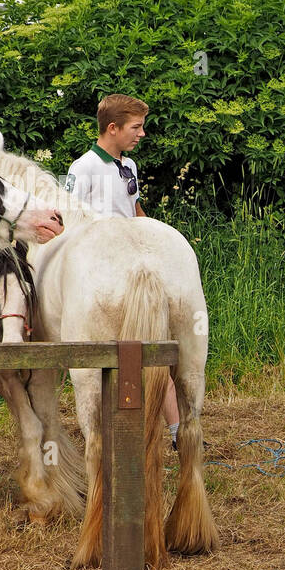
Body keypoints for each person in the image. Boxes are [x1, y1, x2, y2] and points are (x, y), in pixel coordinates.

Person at [67, 94, 181, 446]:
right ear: (112, 128)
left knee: (152, 346)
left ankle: (177, 433)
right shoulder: (82, 167)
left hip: (133, 266)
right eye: (136, 127)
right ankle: (104, 436)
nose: (142, 134)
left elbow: (135, 210)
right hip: (99, 268)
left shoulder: (128, 167)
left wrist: (160, 243)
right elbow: (70, 219)